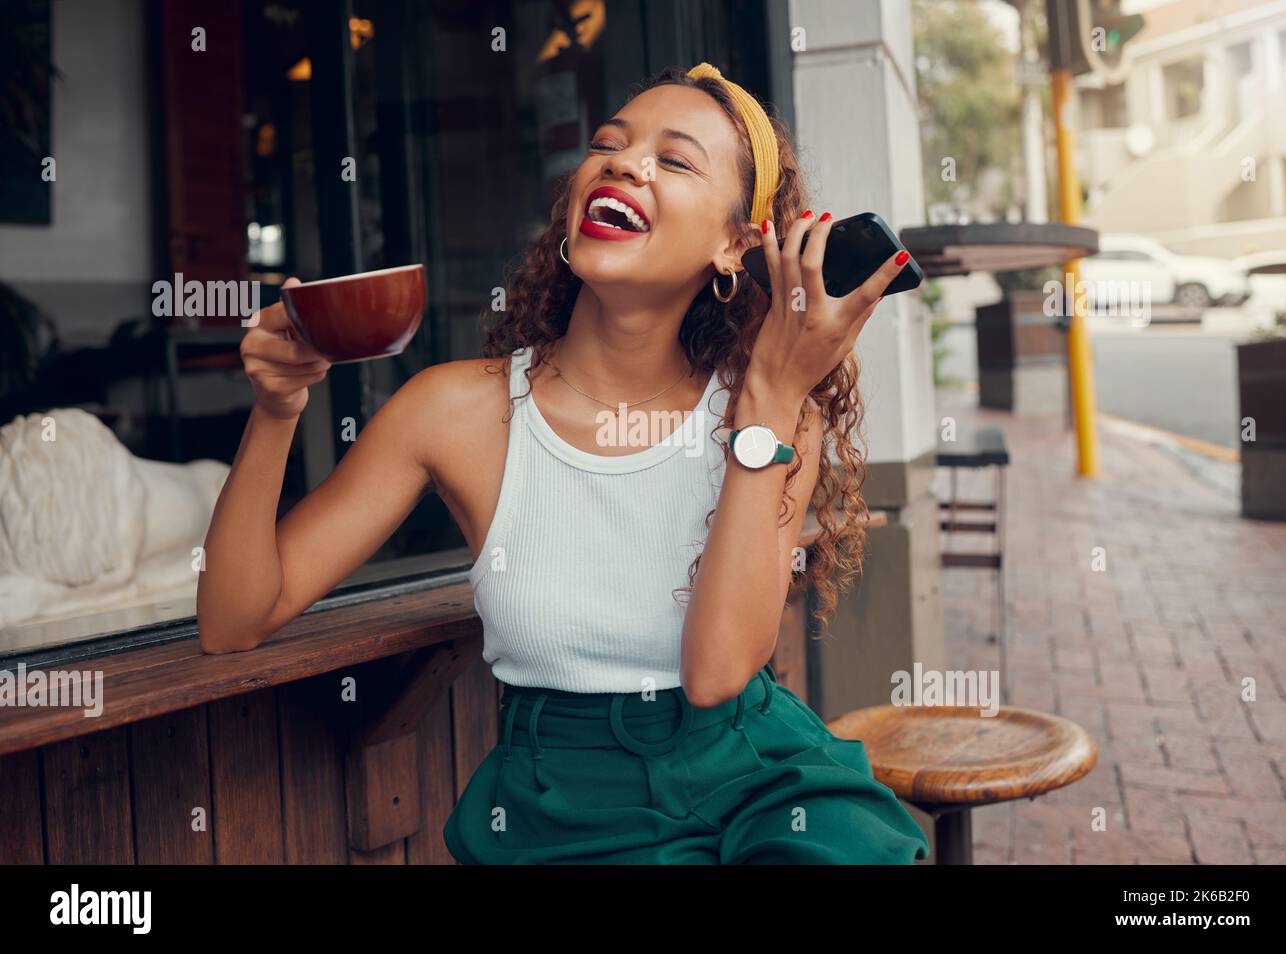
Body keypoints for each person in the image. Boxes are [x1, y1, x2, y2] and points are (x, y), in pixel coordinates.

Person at [198, 62, 930, 865]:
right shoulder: (453, 412)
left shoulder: (781, 410)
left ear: (736, 245)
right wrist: (276, 411)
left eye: (675, 159)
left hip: (756, 780)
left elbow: (718, 674)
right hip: (562, 811)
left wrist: (771, 393)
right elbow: (235, 620)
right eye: (607, 145)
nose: (622, 162)